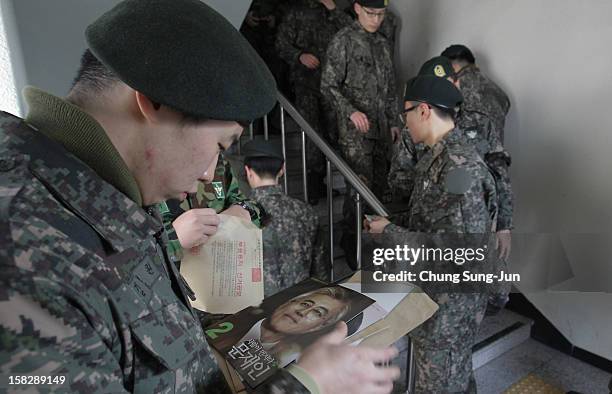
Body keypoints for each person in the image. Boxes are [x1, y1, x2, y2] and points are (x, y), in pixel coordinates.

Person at [0, 0, 400, 393]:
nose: (211, 173)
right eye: (221, 144)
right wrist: (305, 384)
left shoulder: (103, 201)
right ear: (154, 102)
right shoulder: (27, 261)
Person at [367, 75, 497, 393]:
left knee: (440, 384)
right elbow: (433, 221)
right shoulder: (437, 159)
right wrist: (390, 222)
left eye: (406, 113)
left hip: (451, 310)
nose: (405, 121)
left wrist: (391, 232)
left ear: (423, 110)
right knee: (456, 380)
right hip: (436, 299)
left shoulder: (457, 168)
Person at [321, 0, 401, 268]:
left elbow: (390, 89)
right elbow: (328, 85)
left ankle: (372, 244)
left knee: (379, 189)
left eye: (381, 14)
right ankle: (351, 243)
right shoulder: (343, 40)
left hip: (381, 131)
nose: (376, 19)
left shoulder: (383, 44)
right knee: (359, 189)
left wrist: (393, 121)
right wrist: (350, 111)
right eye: (371, 13)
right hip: (355, 132)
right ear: (356, 8)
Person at [275, 0, 351, 203]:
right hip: (305, 83)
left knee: (334, 134)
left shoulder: (337, 12)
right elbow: (281, 43)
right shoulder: (297, 11)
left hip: (333, 85)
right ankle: (313, 186)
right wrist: (299, 56)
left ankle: (327, 182)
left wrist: (333, 10)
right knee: (312, 133)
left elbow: (353, 33)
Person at [242, 139, 329, 296]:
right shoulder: (305, 211)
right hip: (299, 306)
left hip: (255, 312)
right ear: (282, 169)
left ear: (248, 171)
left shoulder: (240, 215)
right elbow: (320, 270)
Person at [159, 157, 266, 264]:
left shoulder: (220, 164)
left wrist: (242, 209)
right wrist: (174, 240)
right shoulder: (149, 173)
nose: (207, 176)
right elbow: (143, 252)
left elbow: (249, 206)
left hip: (219, 272)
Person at [239, 287, 351, 366]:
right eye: (305, 304)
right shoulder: (240, 315)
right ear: (289, 302)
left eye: (317, 312)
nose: (302, 312)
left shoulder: (289, 361)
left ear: (317, 327)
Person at [441, 44, 511, 143]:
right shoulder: (500, 92)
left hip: (465, 154)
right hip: (495, 155)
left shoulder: (454, 89)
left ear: (451, 67)